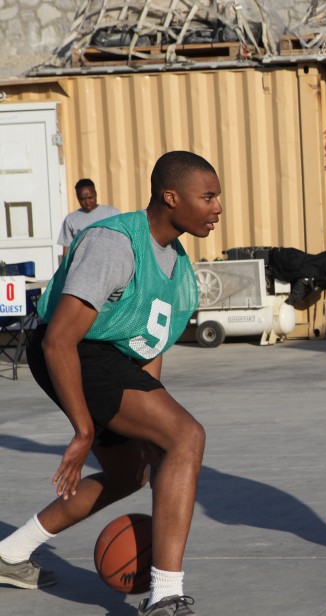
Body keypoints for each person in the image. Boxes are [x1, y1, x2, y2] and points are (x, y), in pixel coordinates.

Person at [0, 151, 223, 616]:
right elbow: (58, 341)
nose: (217, 207)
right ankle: (165, 596)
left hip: (109, 357)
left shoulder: (179, 270)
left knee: (130, 474)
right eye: (208, 197)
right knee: (187, 436)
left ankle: (11, 552)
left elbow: (149, 351)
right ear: (170, 197)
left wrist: (148, 424)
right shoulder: (113, 243)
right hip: (71, 350)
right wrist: (83, 430)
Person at [58, 178, 120, 256]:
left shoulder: (112, 213)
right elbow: (67, 249)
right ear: (77, 197)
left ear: (95, 194)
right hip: (82, 266)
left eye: (90, 198)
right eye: (82, 199)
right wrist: (65, 267)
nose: (87, 202)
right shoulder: (71, 219)